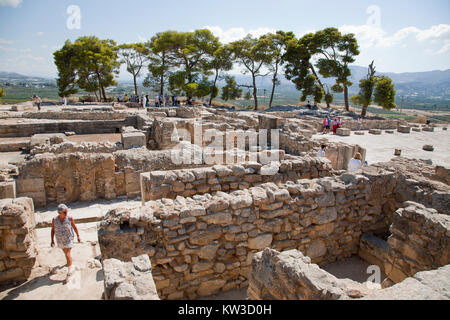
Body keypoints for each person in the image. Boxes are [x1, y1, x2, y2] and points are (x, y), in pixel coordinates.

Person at [51, 204, 81, 282]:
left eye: (66, 211)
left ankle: (69, 273)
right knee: (66, 254)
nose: (66, 213)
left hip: (69, 239)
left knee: (67, 254)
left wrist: (78, 236)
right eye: (64, 212)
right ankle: (70, 263)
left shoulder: (69, 218)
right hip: (60, 240)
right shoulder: (54, 220)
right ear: (60, 213)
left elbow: (74, 226)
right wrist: (52, 240)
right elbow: (53, 230)